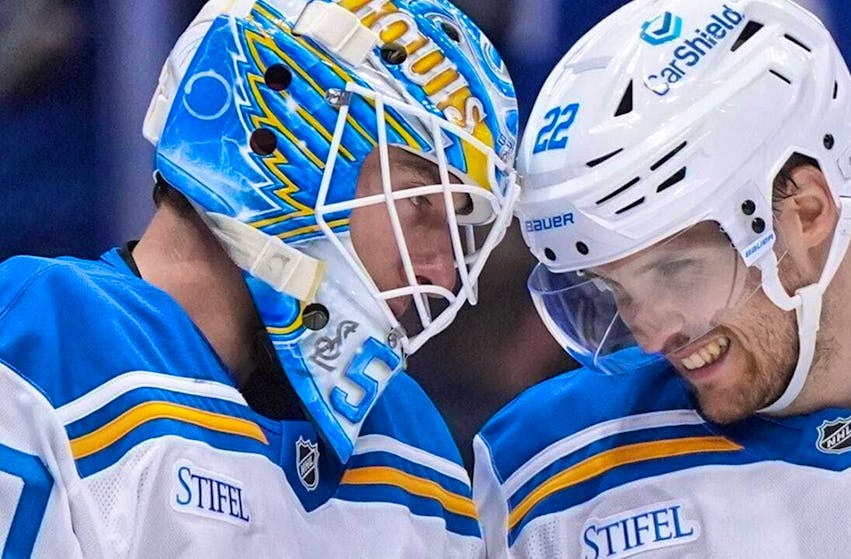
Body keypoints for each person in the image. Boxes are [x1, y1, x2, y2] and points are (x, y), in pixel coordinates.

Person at [0, 0, 518, 556]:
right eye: (419, 203)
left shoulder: (412, 441)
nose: (441, 271)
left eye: (458, 228)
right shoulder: (44, 338)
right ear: (277, 136)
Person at [474, 1, 851, 557]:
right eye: (614, 289)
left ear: (809, 212)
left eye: (675, 270)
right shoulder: (548, 468)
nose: (649, 335)